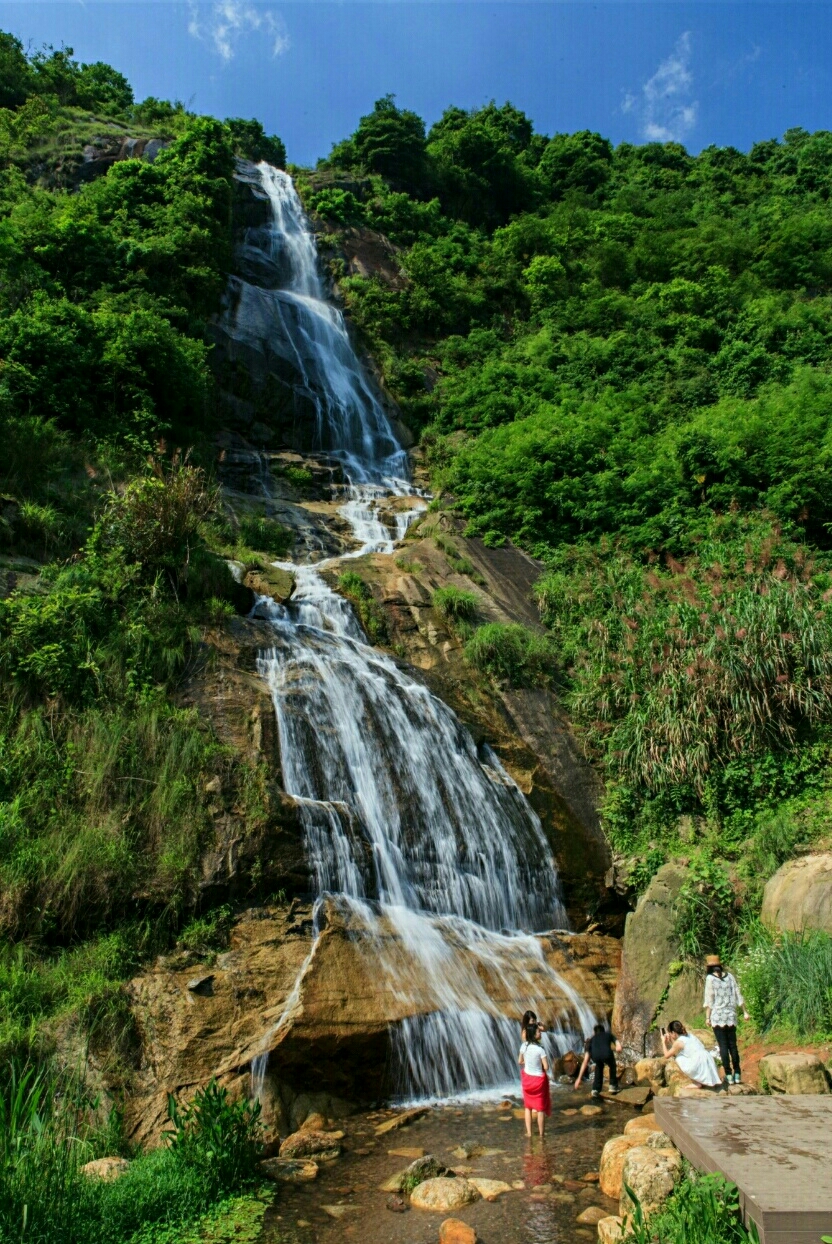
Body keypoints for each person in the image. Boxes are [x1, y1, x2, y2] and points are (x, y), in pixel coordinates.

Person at [703, 954, 751, 1085]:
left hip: (718, 1017)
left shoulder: (710, 979)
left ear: (709, 968)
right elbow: (738, 994)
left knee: (723, 1046)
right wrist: (745, 1012)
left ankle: (728, 1075)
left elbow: (709, 1000)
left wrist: (707, 1017)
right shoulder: (730, 977)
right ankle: (737, 1074)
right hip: (731, 1015)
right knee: (733, 1046)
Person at [661, 1020, 721, 1088]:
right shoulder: (689, 1035)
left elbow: (666, 1055)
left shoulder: (678, 1042)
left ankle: (696, 1083)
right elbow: (676, 1047)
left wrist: (663, 1042)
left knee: (679, 1058)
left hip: (699, 1062)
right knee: (682, 1054)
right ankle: (703, 1080)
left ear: (673, 1032)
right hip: (708, 1059)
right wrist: (671, 1040)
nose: (670, 1035)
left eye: (670, 1033)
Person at [518, 1021, 551, 1138]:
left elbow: (519, 1061)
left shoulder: (524, 1046)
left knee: (528, 1107)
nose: (540, 1033)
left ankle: (529, 1133)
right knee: (540, 1108)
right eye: (538, 1031)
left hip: (527, 1080)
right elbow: (546, 1067)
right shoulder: (540, 1049)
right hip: (538, 1081)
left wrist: (528, 1061)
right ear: (533, 1034)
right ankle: (541, 1134)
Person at [574, 1023, 622, 1097]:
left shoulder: (590, 1040)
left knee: (599, 1066)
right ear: (603, 1031)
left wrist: (579, 1078)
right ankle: (613, 1085)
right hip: (607, 1054)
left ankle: (595, 1089)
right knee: (612, 1065)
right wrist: (618, 1047)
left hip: (596, 1056)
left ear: (594, 1032)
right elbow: (617, 1044)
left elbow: (585, 1061)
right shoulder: (608, 1034)